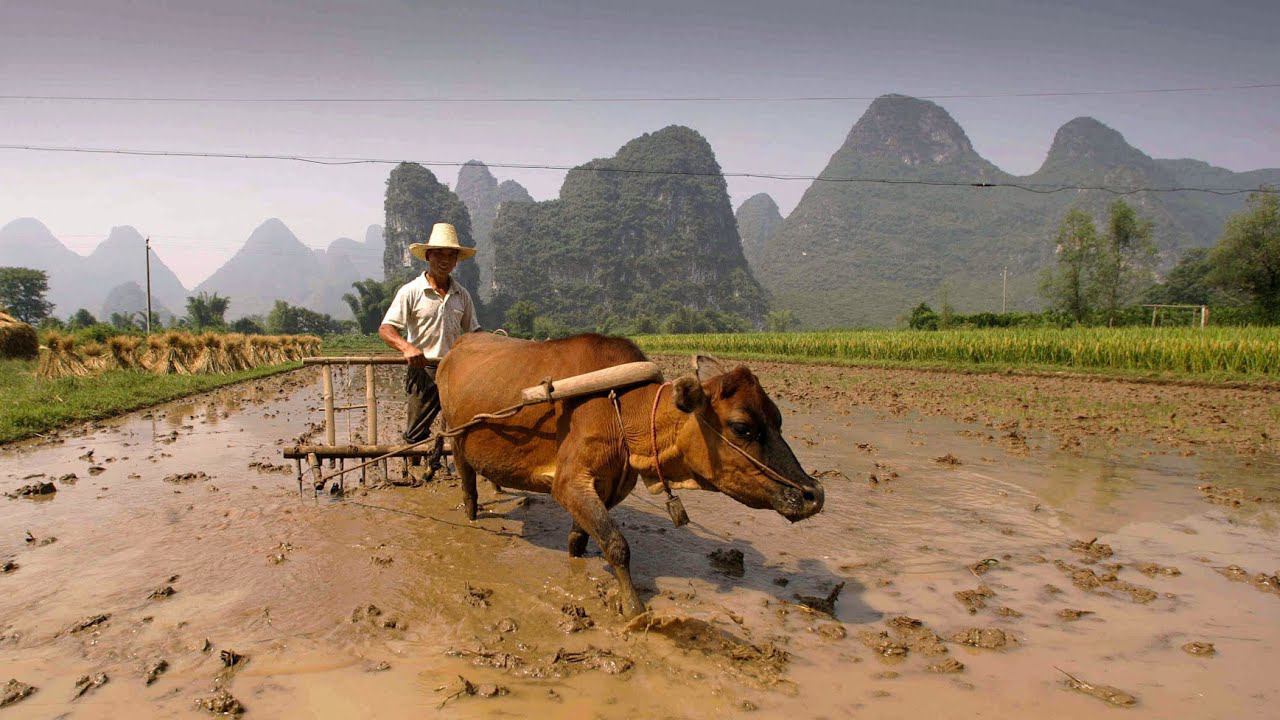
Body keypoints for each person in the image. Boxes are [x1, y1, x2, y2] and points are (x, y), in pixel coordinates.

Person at [379, 222, 481, 445]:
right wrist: (407, 347)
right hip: (423, 369)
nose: (445, 260)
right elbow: (386, 329)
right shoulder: (411, 291)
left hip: (455, 370)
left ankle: (450, 462)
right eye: (439, 254)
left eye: (451, 255)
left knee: (461, 427)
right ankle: (414, 461)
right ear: (428, 256)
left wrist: (495, 345)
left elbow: (474, 331)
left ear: (456, 260)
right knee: (416, 432)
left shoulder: (461, 294)